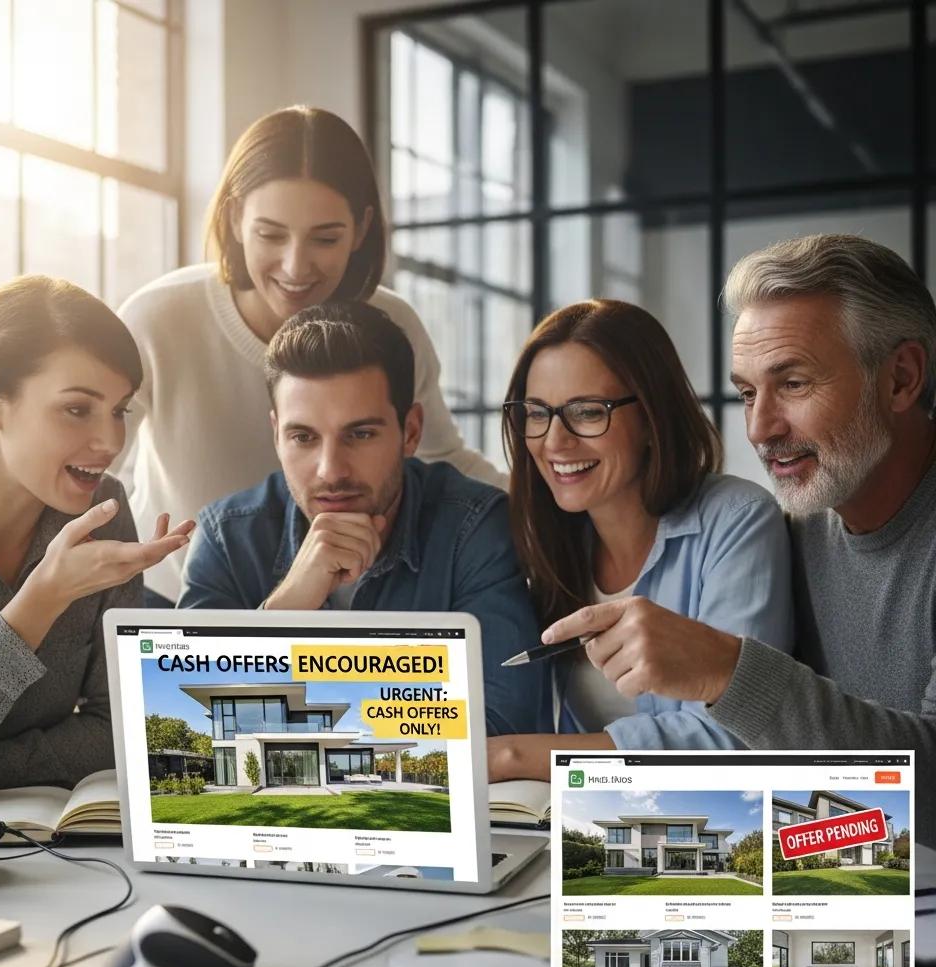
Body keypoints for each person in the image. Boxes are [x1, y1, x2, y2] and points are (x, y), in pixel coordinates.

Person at [541, 235, 936, 848]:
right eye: (749, 392)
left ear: (901, 378)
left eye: (795, 384)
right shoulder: (802, 526)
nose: (759, 428)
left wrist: (729, 673)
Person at [117, 105, 504, 606]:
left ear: (361, 228)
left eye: (325, 238)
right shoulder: (157, 318)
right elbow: (95, 465)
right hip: (182, 600)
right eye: (270, 234)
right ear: (235, 218)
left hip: (346, 593)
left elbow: (443, 456)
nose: (296, 267)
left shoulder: (392, 327)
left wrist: (562, 503)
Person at [178, 302, 544, 736]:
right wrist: (286, 610)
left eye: (361, 434)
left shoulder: (475, 528)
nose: (331, 470)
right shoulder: (226, 537)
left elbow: (501, 721)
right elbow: (189, 729)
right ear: (276, 435)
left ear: (410, 432)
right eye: (303, 437)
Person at [487, 300, 793, 780]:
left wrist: (515, 757)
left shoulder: (737, 520)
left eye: (587, 412)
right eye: (536, 413)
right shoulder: (548, 541)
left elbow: (733, 738)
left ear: (652, 417)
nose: (554, 441)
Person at [0, 276, 193, 791]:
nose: (110, 440)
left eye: (119, 410)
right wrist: (40, 601)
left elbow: (124, 728)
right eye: (76, 409)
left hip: (56, 850)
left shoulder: (103, 512)